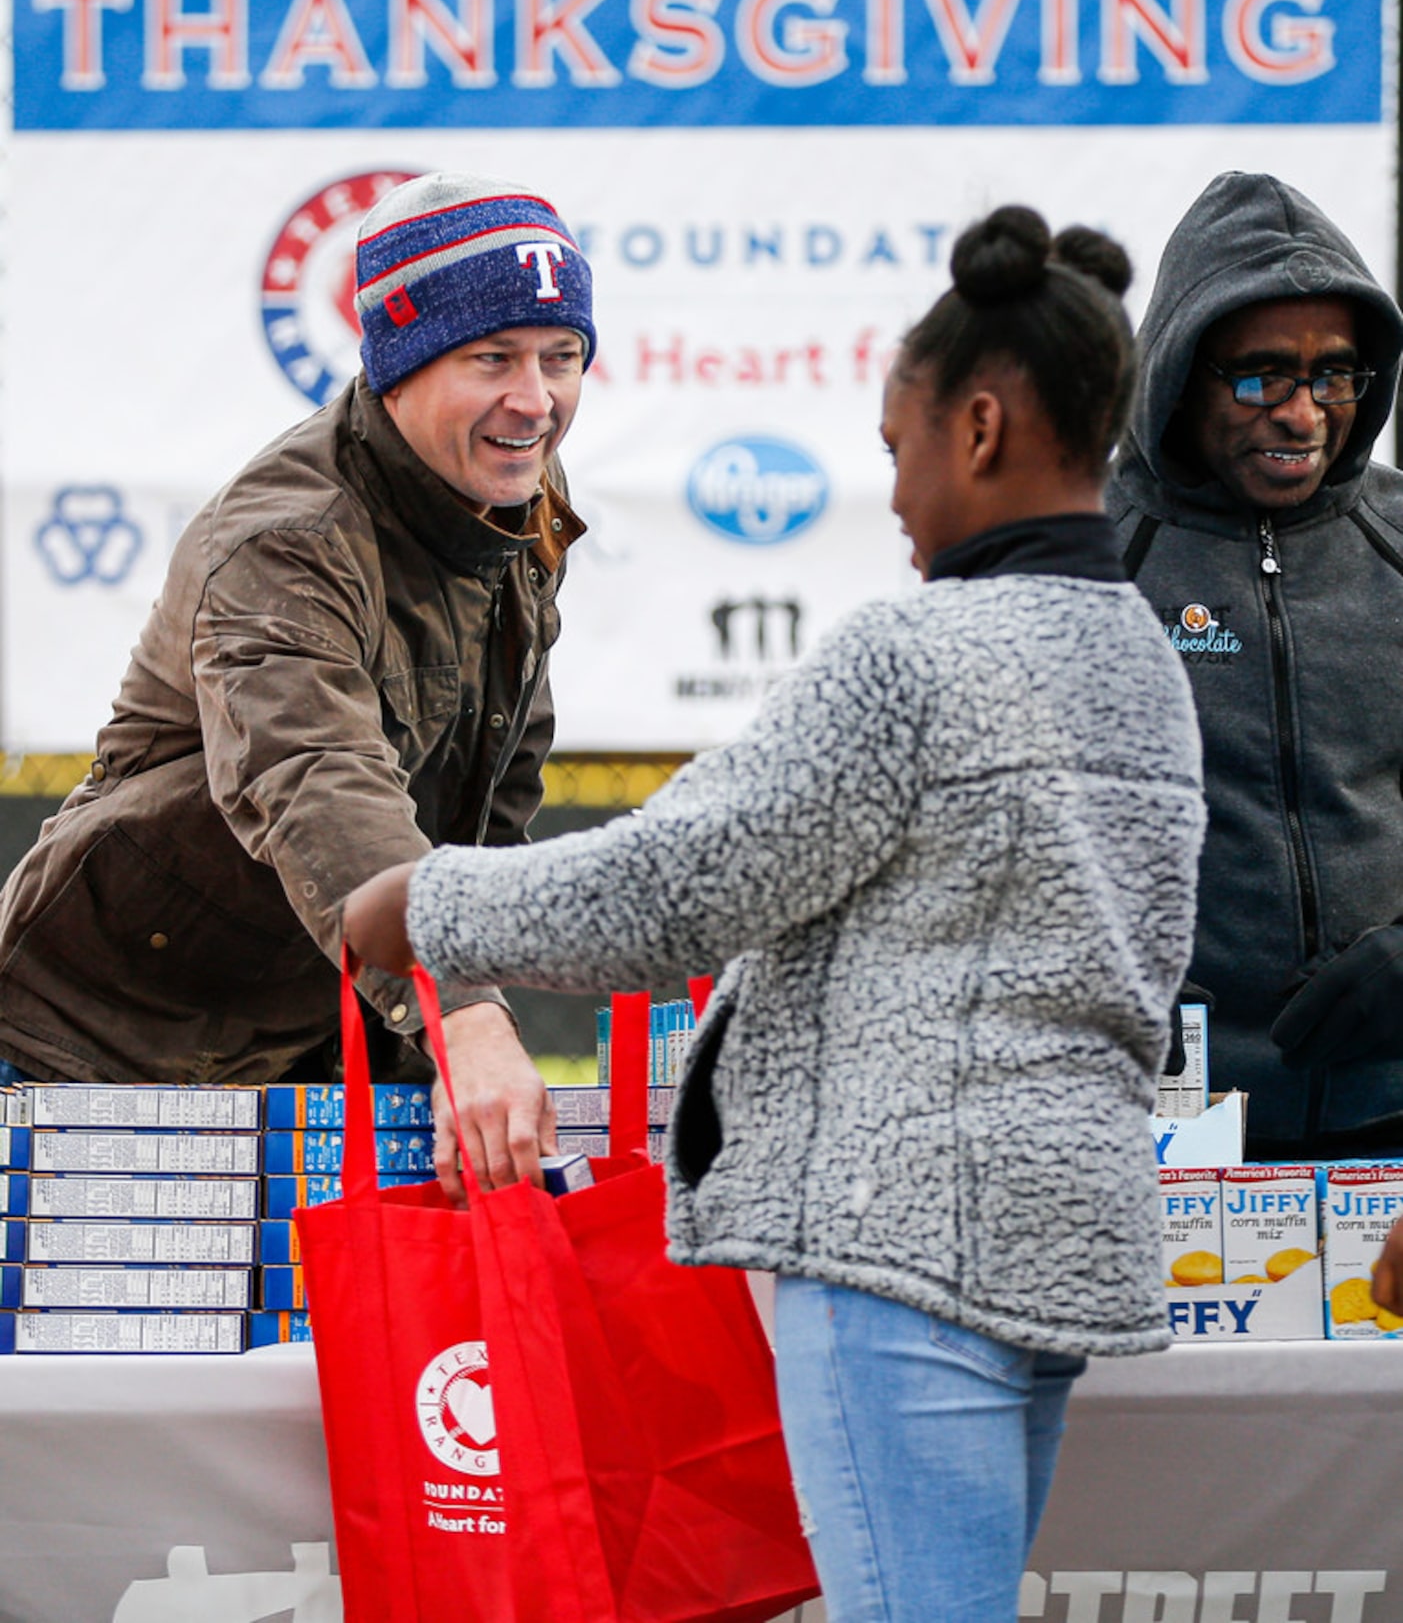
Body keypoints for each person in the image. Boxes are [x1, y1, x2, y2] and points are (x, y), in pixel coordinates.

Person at [345, 206, 1205, 1623]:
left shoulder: (913, 651)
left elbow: (675, 885)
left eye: (895, 447)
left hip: (898, 1233)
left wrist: (424, 900)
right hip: (1061, 1224)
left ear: (978, 428)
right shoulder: (1137, 653)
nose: (889, 494)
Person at [0, 170, 593, 1188]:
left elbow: (495, 785)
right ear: (396, 366)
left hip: (304, 1054)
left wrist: (442, 1037)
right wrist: (462, 1016)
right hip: (89, 1055)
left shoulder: (519, 488)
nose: (533, 401)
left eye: (562, 357)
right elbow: (317, 784)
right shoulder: (286, 541)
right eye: (490, 358)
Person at [1106, 171, 1403, 1156]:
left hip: (1385, 1111)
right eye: (1260, 375)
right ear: (1179, 372)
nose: (1302, 413)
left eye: (1332, 374)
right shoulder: (1084, 557)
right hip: (1155, 1132)